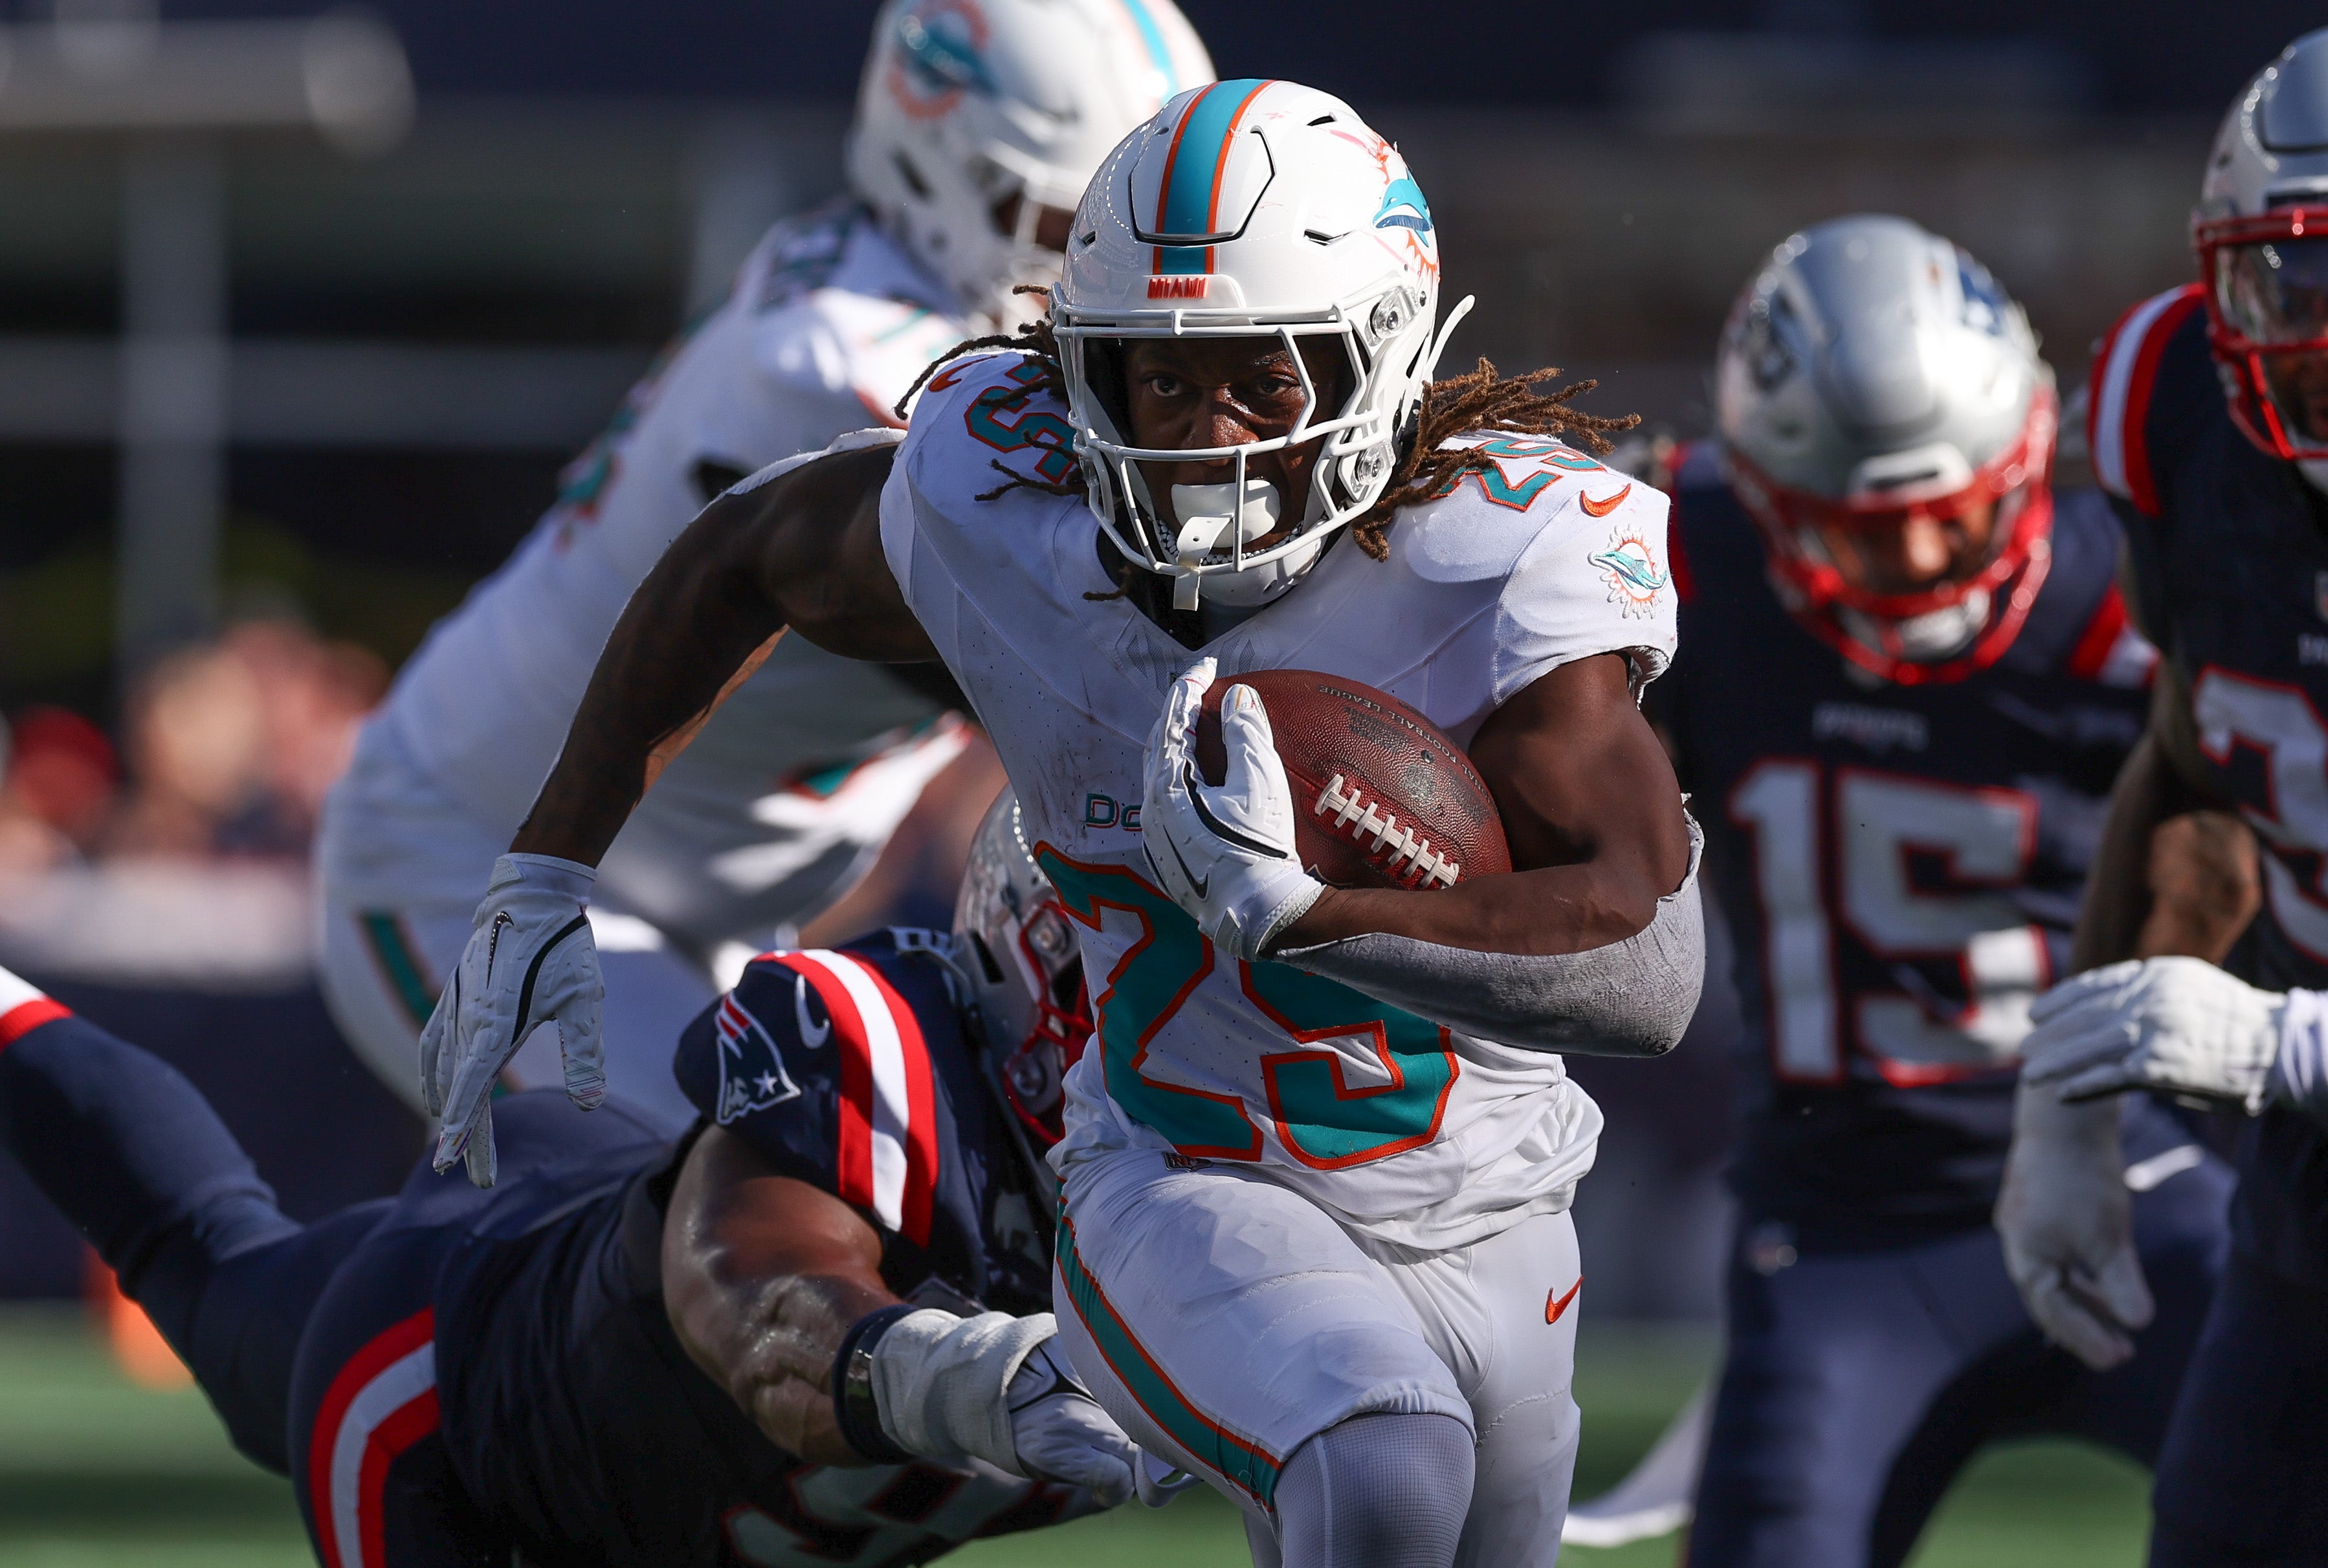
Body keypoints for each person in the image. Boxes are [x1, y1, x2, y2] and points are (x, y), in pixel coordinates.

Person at [414, 79, 1705, 1568]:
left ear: (1384, 359)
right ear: (1082, 370)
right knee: (1382, 1460)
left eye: (1263, 381)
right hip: (1182, 1171)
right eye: (1159, 379)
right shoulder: (1008, 511)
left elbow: (1644, 972)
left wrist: (1315, 921)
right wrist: (549, 858)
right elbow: (744, 552)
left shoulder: (1489, 570)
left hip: (1489, 1202)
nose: (1203, 436)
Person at [315, 0, 1212, 1130]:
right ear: (936, 167)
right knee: (735, 1230)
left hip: (710, 914)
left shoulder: (899, 298)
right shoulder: (845, 367)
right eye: (1067, 220)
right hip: (472, 869)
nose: (1103, 272)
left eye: (1143, 233)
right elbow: (1109, 650)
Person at [0, 791, 1186, 1566]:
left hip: (653, 1412)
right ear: (1045, 973)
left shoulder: (1307, 1196)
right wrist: (970, 1378)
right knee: (208, 1263)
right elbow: (763, 1311)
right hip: (451, 1400)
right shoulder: (894, 1057)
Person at [1618, 214, 2234, 1568]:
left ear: (2024, 461)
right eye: (1856, 532)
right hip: (1845, 1238)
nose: (1909, 569)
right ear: (1767, 497)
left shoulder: (2129, 600)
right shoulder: (1685, 567)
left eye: (1948, 518)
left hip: (2138, 1191)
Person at [1999, 23, 2328, 1565]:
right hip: (2316, 1175)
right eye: (2298, 278)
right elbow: (2201, 752)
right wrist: (2066, 1108)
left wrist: (2286, 1038)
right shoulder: (2169, 403)